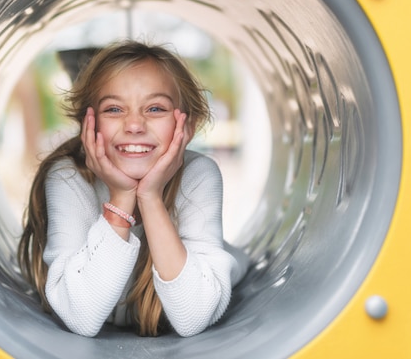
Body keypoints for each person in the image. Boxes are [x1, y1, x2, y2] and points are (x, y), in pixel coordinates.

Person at [17, 39, 248, 338]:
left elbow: (194, 315)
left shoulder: (197, 175)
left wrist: (150, 197)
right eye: (114, 109)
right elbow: (81, 316)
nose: (135, 125)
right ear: (89, 125)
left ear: (187, 127)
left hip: (211, 273)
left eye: (155, 108)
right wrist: (122, 198)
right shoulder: (69, 178)